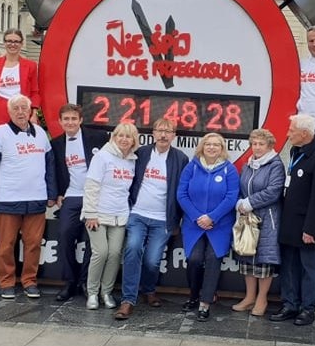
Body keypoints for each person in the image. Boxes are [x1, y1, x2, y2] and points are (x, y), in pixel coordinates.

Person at [0, 94, 57, 299]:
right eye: (16, 109)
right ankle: (6, 282)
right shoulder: (0, 133)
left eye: (24, 108)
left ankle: (29, 281)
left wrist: (52, 193)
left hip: (37, 198)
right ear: (9, 112)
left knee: (33, 244)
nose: (21, 112)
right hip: (7, 198)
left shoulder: (41, 133)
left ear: (31, 110)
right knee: (6, 245)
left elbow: (50, 166)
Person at [114, 119, 189, 320]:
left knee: (152, 261)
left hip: (162, 219)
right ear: (153, 133)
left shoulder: (180, 158)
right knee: (133, 249)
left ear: (174, 135)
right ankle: (128, 300)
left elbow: (182, 192)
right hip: (137, 214)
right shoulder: (141, 154)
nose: (163, 135)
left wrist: (176, 220)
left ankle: (148, 290)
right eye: (160, 131)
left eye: (168, 131)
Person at [270, 115, 315, 327]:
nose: (288, 134)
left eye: (291, 131)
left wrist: (311, 228)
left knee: (309, 268)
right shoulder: (295, 151)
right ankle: (290, 303)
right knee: (289, 265)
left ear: (304, 134)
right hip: (290, 221)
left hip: (308, 224)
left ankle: (308, 307)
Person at [177, 132, 240, 322]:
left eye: (216, 145)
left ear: (222, 149)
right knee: (194, 259)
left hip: (219, 224)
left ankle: (205, 304)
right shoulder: (192, 167)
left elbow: (232, 196)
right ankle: (194, 295)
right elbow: (181, 194)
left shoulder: (230, 169)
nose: (211, 148)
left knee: (213, 258)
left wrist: (212, 217)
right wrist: (198, 217)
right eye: (208, 144)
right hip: (194, 224)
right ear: (202, 147)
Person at [50, 104, 109, 301]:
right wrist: (58, 192)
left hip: (94, 197)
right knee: (65, 235)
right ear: (60, 122)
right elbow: (55, 170)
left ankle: (85, 281)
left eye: (73, 119)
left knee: (92, 241)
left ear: (80, 120)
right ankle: (70, 282)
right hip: (71, 196)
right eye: (66, 119)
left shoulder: (99, 138)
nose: (70, 122)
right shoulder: (56, 143)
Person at [83, 123, 138, 310]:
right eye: (120, 135)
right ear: (114, 137)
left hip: (120, 215)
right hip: (97, 214)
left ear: (133, 141)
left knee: (115, 254)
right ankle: (92, 293)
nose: (123, 139)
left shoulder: (132, 160)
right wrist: (90, 213)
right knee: (101, 252)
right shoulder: (102, 157)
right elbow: (91, 186)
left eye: (128, 136)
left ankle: (106, 292)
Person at [232, 128, 285, 317]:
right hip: (248, 219)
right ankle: (249, 297)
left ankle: (262, 298)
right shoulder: (248, 165)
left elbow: (274, 191)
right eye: (254, 144)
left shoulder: (276, 165)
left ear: (269, 145)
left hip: (268, 219)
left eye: (261, 144)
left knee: (264, 260)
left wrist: (249, 202)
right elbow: (241, 186)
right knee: (247, 257)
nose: (257, 147)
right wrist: (239, 202)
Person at [0, 28, 41, 131]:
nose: (12, 44)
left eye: (16, 41)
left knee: (21, 141)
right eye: (9, 41)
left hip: (21, 108)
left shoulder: (30, 65)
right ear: (4, 43)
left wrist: (34, 114)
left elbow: (34, 92)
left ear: (21, 44)